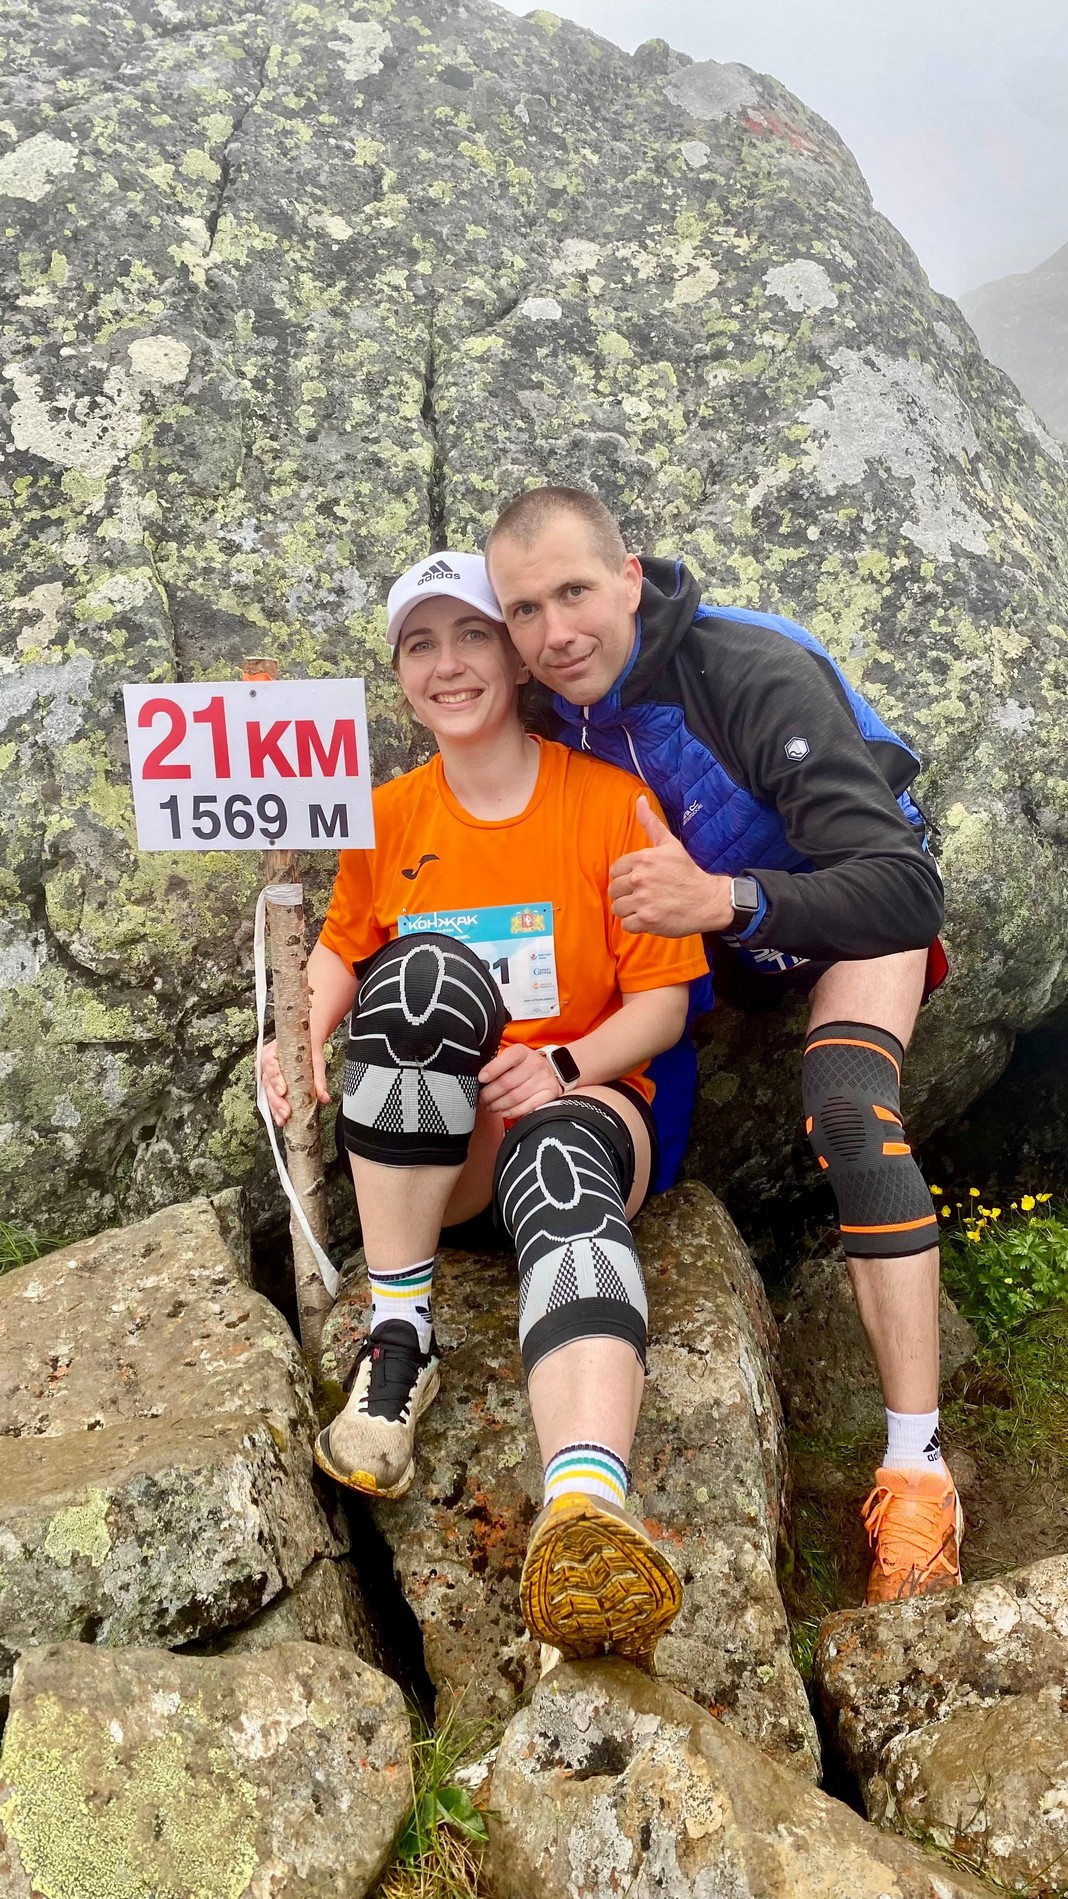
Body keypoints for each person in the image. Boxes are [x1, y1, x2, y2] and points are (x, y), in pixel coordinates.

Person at [485, 487, 960, 1606]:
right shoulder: (547, 706)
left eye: (575, 592)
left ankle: (919, 1471)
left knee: (848, 1110)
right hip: (704, 952)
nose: (555, 633)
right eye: (524, 611)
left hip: (842, 913)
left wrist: (728, 899)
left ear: (630, 577)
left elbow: (903, 887)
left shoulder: (748, 672)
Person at [261, 550, 708, 1667]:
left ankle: (583, 1513)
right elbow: (340, 953)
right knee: (421, 978)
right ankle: (401, 1339)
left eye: (472, 635)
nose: (449, 664)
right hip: (442, 1151)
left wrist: (561, 1066)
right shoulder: (384, 818)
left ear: (516, 659)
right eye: (421, 645)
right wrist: (295, 1038)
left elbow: (662, 1004)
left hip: (584, 1110)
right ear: (400, 676)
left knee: (557, 1158)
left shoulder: (608, 804)